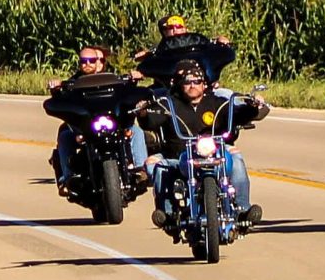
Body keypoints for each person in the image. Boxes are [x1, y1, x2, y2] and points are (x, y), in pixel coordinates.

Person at [140, 59, 269, 233]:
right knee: (154, 166)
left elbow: (238, 114)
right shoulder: (168, 104)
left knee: (236, 159)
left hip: (217, 152)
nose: (192, 85)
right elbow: (151, 120)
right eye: (187, 82)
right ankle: (168, 214)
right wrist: (142, 112)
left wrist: (252, 107)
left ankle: (243, 211)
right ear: (179, 84)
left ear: (204, 84)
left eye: (197, 81)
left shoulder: (218, 102)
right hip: (178, 157)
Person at [48, 45, 150, 196]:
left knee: (135, 131)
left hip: (112, 124)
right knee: (65, 136)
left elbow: (126, 93)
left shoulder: (113, 79)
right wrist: (55, 89)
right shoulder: (72, 84)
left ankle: (141, 170)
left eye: (92, 60)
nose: (88, 64)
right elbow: (61, 100)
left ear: (99, 62)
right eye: (84, 61)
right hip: (86, 127)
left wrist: (133, 80)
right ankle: (67, 178)